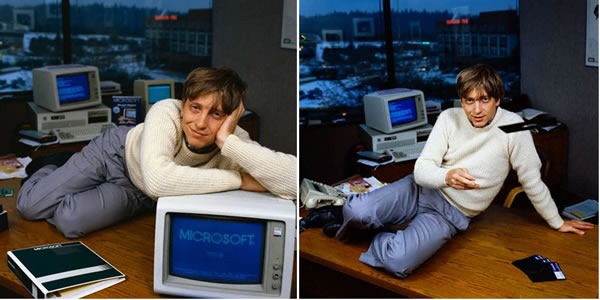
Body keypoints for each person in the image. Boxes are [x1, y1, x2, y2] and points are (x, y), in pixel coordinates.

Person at [334, 64, 594, 278]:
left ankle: (386, 232)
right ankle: (376, 222)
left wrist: (558, 222)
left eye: (484, 100)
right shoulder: (449, 118)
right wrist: (446, 176)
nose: (476, 109)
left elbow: (532, 181)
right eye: (469, 101)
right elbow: (422, 169)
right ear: (462, 101)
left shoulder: (514, 128)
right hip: (419, 188)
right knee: (355, 211)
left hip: (450, 214)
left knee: (399, 263)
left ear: (497, 99)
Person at [17, 67, 297, 238]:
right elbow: (159, 180)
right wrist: (239, 179)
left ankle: (70, 178)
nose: (200, 123)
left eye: (216, 114)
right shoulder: (166, 111)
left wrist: (228, 141)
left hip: (143, 192)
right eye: (195, 107)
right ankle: (53, 166)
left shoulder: (234, 140)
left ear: (230, 119)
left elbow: (292, 179)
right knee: (30, 207)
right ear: (183, 103)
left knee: (70, 222)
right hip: (115, 154)